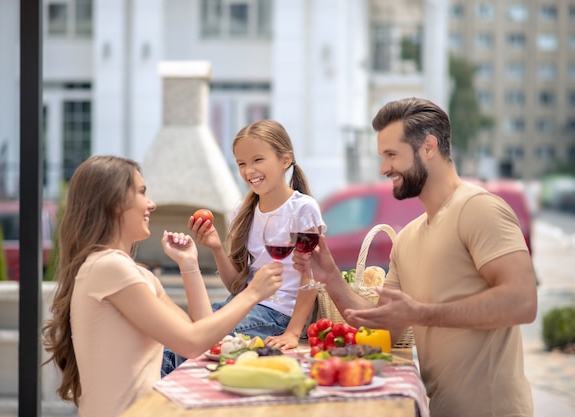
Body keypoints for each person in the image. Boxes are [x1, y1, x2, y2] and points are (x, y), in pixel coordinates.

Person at [293, 97, 537, 417]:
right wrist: (332, 278)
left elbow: (522, 302)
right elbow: (385, 328)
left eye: (391, 155)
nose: (383, 169)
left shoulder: (479, 209)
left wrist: (422, 313)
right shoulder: (407, 238)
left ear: (429, 147)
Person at [41, 155, 283, 417]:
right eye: (142, 192)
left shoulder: (134, 273)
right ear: (115, 204)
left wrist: (189, 265)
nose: (151, 204)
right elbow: (191, 343)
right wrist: (252, 294)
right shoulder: (108, 267)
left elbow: (200, 334)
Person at [162, 119, 325, 375]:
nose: (249, 170)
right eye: (241, 163)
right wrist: (216, 248)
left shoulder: (303, 209)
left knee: (186, 348)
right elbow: (238, 287)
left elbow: (310, 276)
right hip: (243, 304)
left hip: (279, 315)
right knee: (174, 337)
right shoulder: (243, 210)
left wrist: (293, 332)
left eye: (258, 160)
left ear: (285, 160)